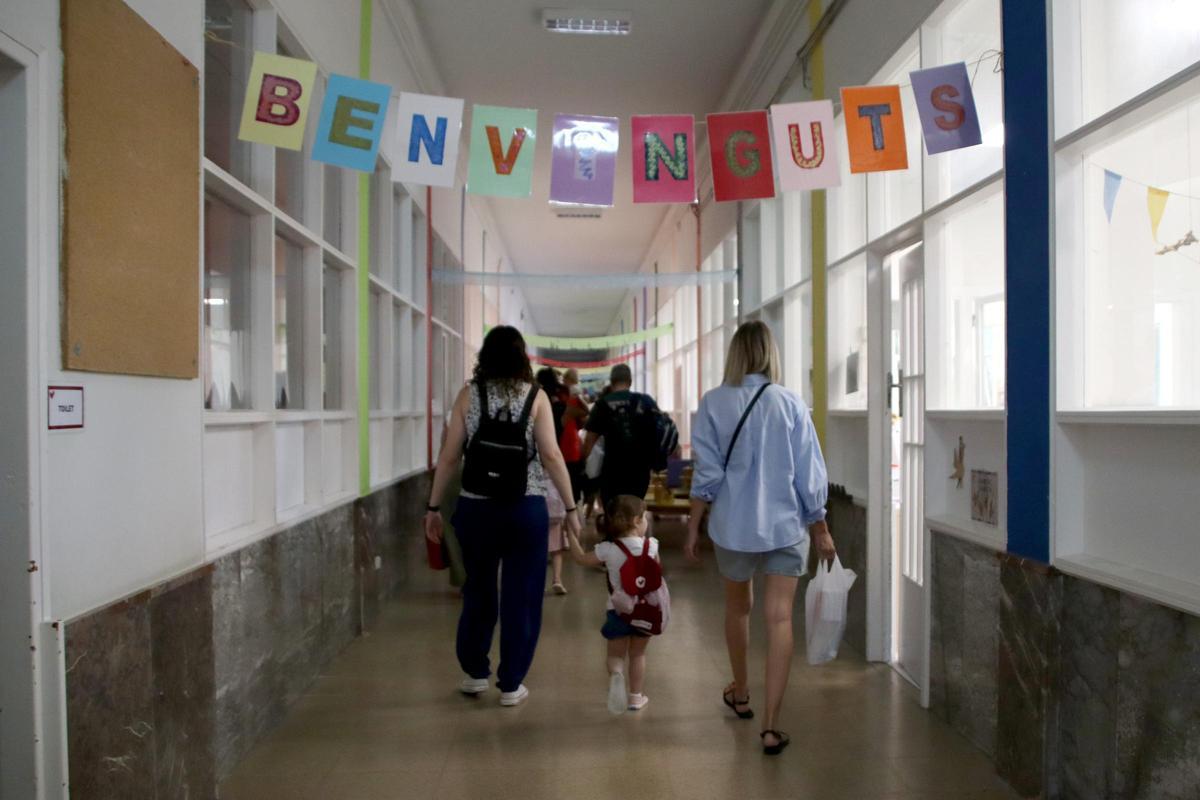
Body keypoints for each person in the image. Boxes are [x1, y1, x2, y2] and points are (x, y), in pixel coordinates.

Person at [684, 321, 836, 756]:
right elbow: (811, 474)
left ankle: (742, 691)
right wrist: (820, 526)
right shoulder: (791, 403)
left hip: (733, 526)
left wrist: (693, 527)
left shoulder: (713, 403)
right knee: (780, 619)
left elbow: (707, 474)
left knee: (738, 609)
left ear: (735, 354)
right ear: (771, 353)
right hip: (786, 526)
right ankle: (771, 726)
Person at [425, 326, 582, 707]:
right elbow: (551, 456)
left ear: (486, 356)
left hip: (476, 508)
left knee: (477, 589)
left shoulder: (468, 395)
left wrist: (431, 508)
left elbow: (448, 457)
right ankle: (511, 682)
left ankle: (475, 672)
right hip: (524, 508)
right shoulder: (537, 397)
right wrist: (572, 506)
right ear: (521, 356)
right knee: (523, 594)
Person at [566, 495, 659, 715]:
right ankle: (636, 697)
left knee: (616, 655)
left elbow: (580, 558)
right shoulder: (652, 546)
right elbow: (656, 577)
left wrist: (569, 534)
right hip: (644, 611)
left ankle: (617, 675)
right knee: (638, 655)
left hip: (618, 612)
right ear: (636, 521)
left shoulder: (608, 549)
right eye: (644, 517)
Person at [581, 364, 661, 508]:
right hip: (640, 471)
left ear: (611, 382)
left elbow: (589, 441)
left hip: (612, 471)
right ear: (630, 382)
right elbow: (660, 430)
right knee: (634, 514)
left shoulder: (602, 404)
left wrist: (582, 464)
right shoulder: (645, 401)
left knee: (613, 515)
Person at [535, 368, 570, 595]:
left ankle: (536, 580)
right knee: (556, 534)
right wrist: (572, 507)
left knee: (535, 539)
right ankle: (557, 579)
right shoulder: (561, 405)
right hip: (557, 462)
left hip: (536, 470)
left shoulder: (534, 401)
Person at [560, 368, 590, 505]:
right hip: (570, 443)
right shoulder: (571, 397)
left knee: (566, 478)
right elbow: (585, 414)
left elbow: (584, 415)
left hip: (566, 442)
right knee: (572, 480)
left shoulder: (567, 398)